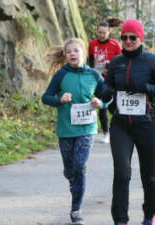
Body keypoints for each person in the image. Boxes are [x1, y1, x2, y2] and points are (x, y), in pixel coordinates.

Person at [102, 19, 155, 225]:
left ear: (140, 37)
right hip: (121, 125)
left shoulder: (151, 60)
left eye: (133, 37)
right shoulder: (116, 62)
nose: (128, 41)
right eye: (124, 37)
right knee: (122, 174)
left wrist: (145, 87)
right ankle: (120, 220)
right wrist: (106, 93)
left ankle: (149, 215)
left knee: (148, 174)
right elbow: (107, 87)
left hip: (147, 124)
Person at [42, 38, 107, 225]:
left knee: (80, 167)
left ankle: (76, 211)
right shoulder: (61, 75)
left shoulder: (94, 75)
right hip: (66, 129)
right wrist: (59, 99)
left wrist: (100, 103)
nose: (72, 54)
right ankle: (71, 175)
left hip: (87, 129)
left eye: (76, 51)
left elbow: (107, 96)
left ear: (83, 54)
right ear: (65, 55)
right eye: (69, 51)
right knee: (71, 169)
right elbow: (46, 97)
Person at [88, 21, 122, 143]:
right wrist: (93, 71)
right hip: (98, 80)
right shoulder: (92, 44)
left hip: (112, 80)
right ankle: (106, 132)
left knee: (113, 107)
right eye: (99, 32)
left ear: (109, 32)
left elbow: (121, 63)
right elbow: (91, 60)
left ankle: (118, 130)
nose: (101, 35)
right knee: (100, 106)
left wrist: (108, 66)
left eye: (104, 33)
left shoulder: (115, 44)